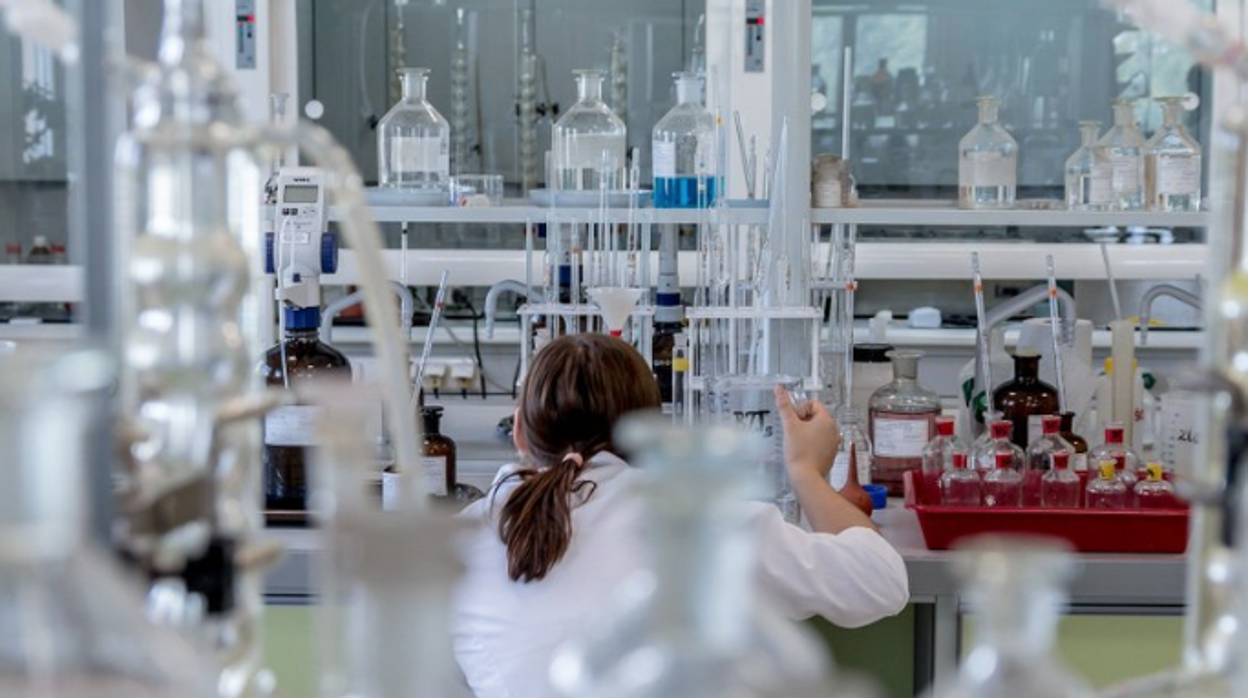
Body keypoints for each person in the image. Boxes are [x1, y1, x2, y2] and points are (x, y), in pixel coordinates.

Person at [451, 334, 909, 698]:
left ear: (518, 431)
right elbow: (880, 582)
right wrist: (806, 472)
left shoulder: (459, 540)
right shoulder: (698, 527)